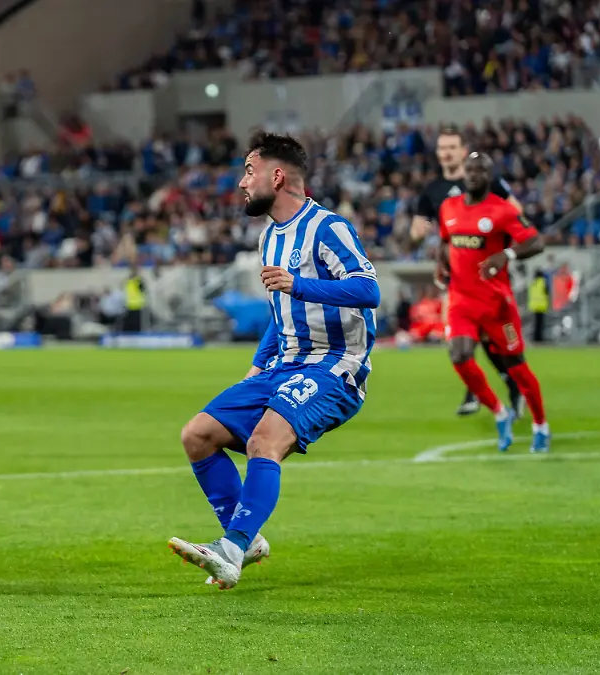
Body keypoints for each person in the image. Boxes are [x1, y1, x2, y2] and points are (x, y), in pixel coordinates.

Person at [167, 132, 380, 590]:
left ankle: (230, 549)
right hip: (284, 364)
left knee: (265, 441)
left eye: (249, 170)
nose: (242, 182)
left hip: (334, 366)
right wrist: (259, 363)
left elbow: (369, 289)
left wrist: (297, 284)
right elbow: (280, 312)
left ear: (277, 176)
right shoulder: (269, 238)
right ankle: (247, 540)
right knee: (197, 435)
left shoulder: (328, 228)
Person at [436, 151, 550, 453]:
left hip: (497, 304)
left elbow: (536, 241)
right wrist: (440, 265)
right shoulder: (449, 207)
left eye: (480, 170)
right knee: (459, 355)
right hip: (461, 300)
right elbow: (445, 240)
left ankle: (541, 425)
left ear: (489, 176)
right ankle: (500, 412)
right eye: (470, 169)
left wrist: (506, 254)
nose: (473, 175)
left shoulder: (502, 210)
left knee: (517, 368)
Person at [411, 126, 523, 418]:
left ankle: (510, 384)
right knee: (461, 340)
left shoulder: (485, 181)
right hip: (457, 280)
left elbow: (516, 212)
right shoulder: (432, 191)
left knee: (492, 341)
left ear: (463, 151)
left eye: (452, 147)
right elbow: (416, 231)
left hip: (489, 278)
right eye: (442, 148)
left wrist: (502, 248)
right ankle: (475, 393)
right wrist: (418, 233)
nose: (447, 153)